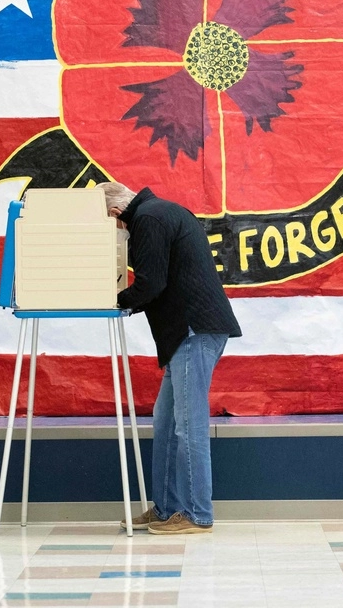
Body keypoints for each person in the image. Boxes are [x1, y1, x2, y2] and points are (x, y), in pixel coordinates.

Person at [101, 182, 241, 535]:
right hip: (185, 334)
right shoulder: (159, 211)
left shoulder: (148, 219)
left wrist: (111, 299)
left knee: (187, 425)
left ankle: (197, 514)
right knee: (165, 425)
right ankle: (167, 508)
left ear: (116, 214)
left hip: (193, 331)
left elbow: (151, 284)